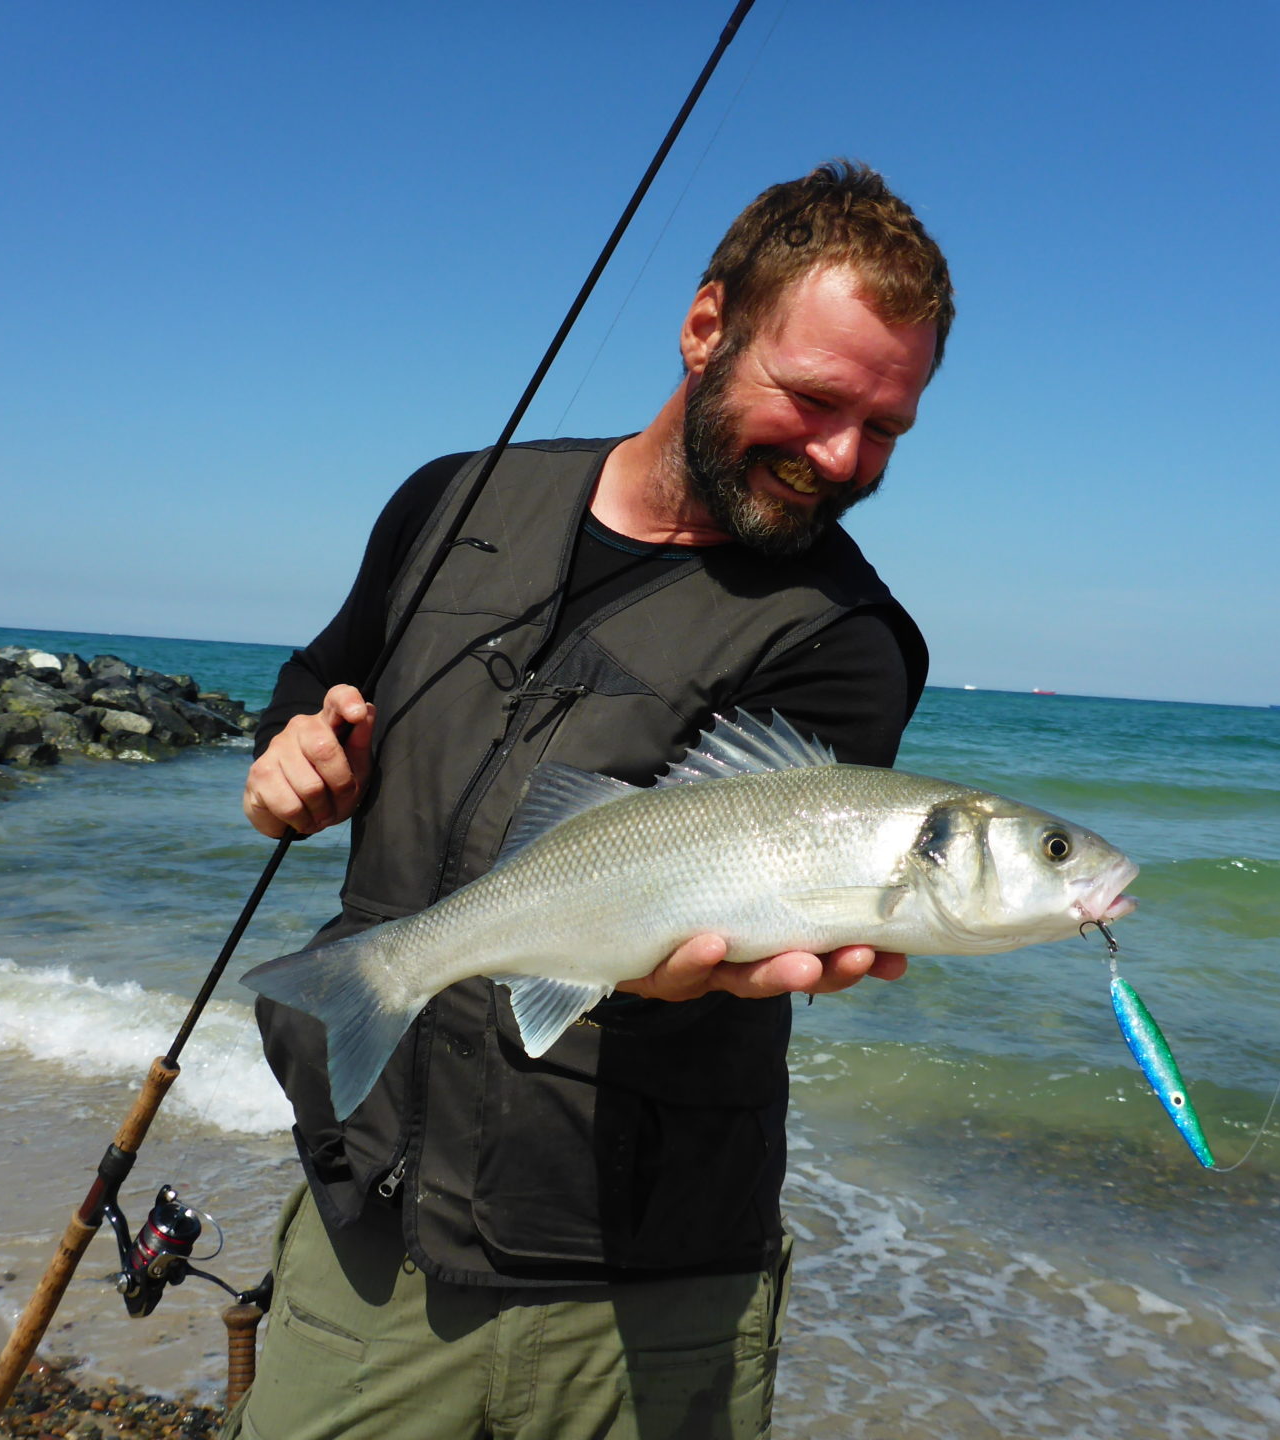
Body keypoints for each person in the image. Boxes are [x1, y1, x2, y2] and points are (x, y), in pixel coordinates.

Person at [227, 160, 954, 1440]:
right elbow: (324, 673)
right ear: (705, 326)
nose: (844, 457)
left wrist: (681, 971)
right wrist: (293, 754)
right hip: (371, 1223)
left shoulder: (849, 640)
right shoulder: (453, 500)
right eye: (817, 399)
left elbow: (740, 900)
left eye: (886, 428)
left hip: (642, 1285)